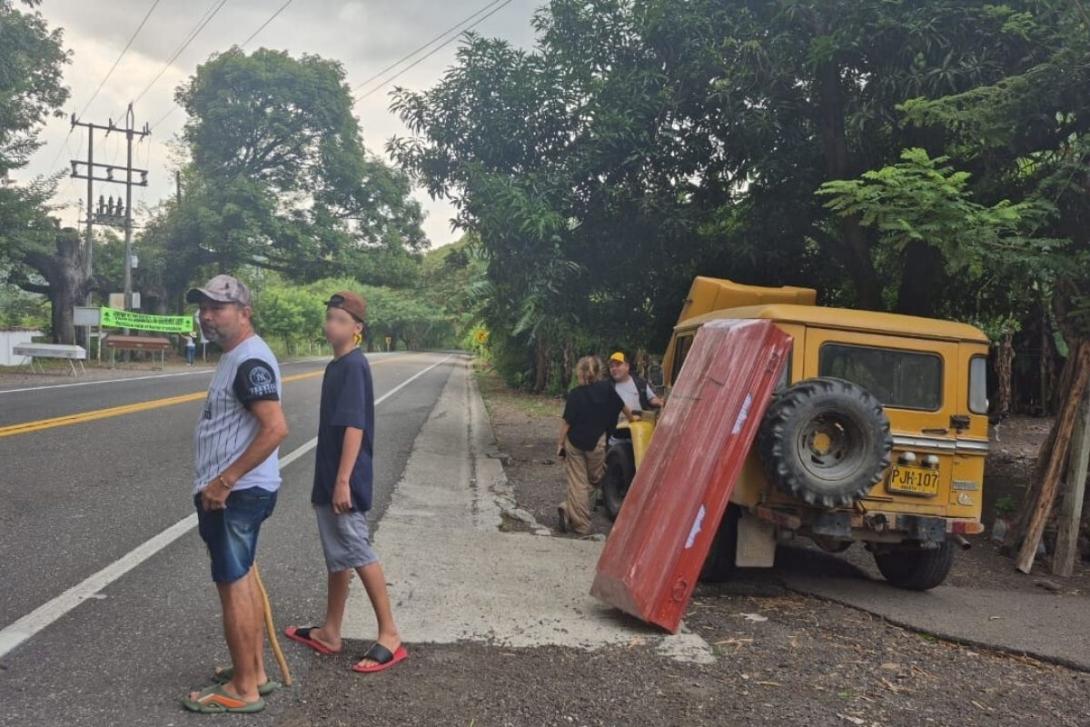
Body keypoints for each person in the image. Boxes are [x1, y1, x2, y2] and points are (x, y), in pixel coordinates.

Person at [283, 291, 407, 674]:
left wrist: (342, 481)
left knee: (356, 549)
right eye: (329, 317)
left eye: (340, 319)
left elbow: (355, 425)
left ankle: (390, 635)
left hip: (345, 478)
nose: (330, 324)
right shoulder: (337, 365)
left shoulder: (353, 366)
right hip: (332, 475)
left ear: (357, 329)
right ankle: (330, 632)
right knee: (338, 555)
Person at [182, 274, 289, 715]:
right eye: (203, 307)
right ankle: (255, 673)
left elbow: (276, 428)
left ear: (244, 313)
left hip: (236, 495)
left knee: (233, 586)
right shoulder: (235, 355)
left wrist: (223, 481)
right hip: (236, 492)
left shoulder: (249, 362)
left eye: (218, 308)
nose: (207, 316)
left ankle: (243, 689)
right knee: (241, 580)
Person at [556, 355, 638, 535]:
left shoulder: (575, 394)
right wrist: (633, 419)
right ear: (599, 371)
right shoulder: (607, 388)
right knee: (597, 478)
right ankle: (577, 518)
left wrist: (560, 444)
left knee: (578, 483)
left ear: (580, 372)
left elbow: (566, 423)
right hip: (597, 444)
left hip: (575, 442)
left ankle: (576, 518)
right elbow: (622, 406)